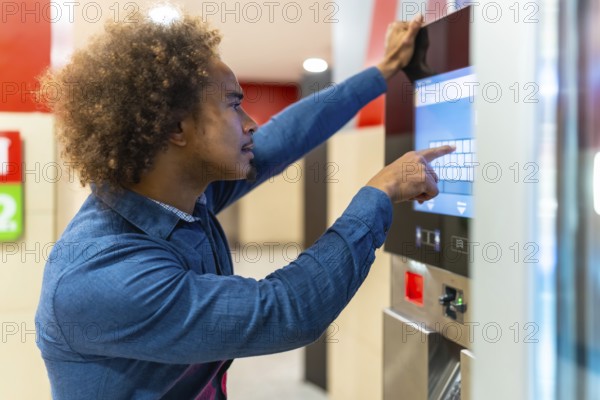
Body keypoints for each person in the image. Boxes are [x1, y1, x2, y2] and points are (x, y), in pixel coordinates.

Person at [35, 10, 453, 400]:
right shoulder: (102, 276)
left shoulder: (176, 196)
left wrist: (381, 71)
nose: (252, 123)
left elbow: (288, 134)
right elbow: (286, 311)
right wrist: (379, 193)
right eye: (234, 105)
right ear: (177, 128)